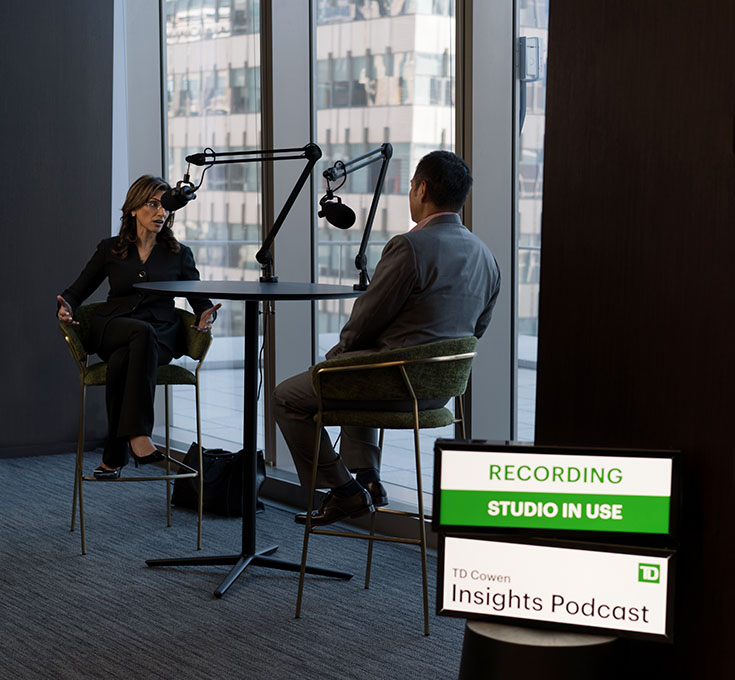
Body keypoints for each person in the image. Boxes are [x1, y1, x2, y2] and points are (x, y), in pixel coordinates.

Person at [272, 150, 501, 526]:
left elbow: (364, 320)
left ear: (422, 188)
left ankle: (344, 491)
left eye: (411, 186)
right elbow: (476, 331)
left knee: (287, 397)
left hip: (393, 386)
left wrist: (336, 356)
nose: (410, 192)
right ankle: (367, 478)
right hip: (438, 392)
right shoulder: (486, 256)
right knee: (360, 366)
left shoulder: (410, 247)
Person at [57, 175, 221, 479]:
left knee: (123, 360)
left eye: (164, 207)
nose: (161, 213)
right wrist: (65, 307)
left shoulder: (178, 253)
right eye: (152, 205)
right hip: (114, 327)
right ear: (133, 209)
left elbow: (200, 301)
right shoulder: (110, 249)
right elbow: (75, 292)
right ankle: (140, 435)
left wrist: (205, 316)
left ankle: (112, 456)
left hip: (159, 336)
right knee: (137, 334)